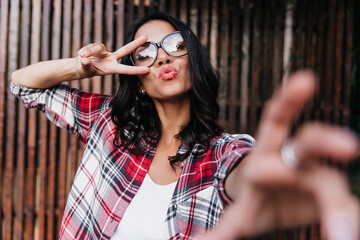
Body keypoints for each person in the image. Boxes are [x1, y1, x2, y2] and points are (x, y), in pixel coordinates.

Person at [10, 12, 359, 240]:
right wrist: (82, 68)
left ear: (193, 60)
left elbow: (241, 171)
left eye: (176, 46)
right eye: (144, 53)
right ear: (139, 82)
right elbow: (22, 83)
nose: (162, 57)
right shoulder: (109, 125)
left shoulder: (223, 151)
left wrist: (267, 170)